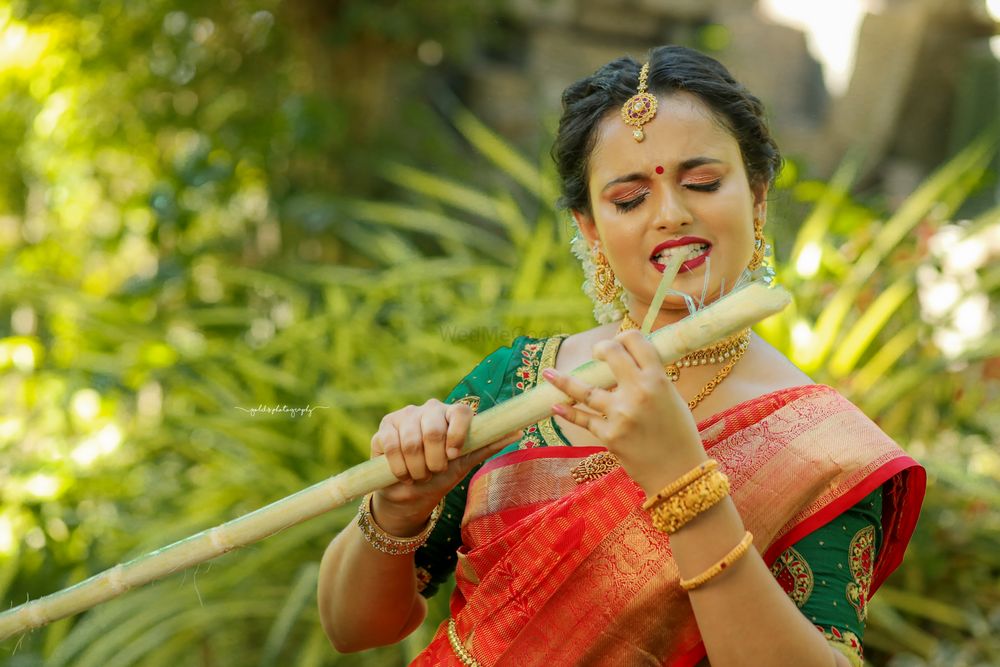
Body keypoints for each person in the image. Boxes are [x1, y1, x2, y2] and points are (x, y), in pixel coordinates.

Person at [316, 45, 925, 667]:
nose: (672, 214)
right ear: (589, 227)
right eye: (630, 199)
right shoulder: (519, 386)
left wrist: (682, 482)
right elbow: (353, 628)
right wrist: (395, 511)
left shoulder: (816, 448)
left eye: (704, 183)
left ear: (758, 196)